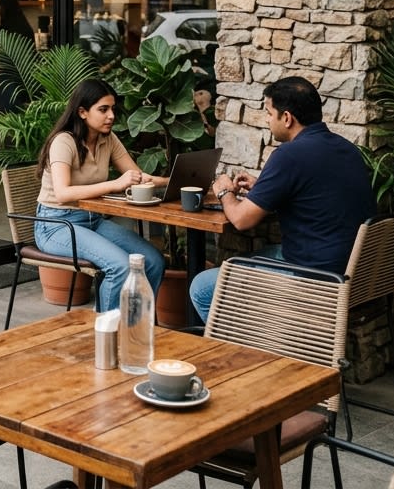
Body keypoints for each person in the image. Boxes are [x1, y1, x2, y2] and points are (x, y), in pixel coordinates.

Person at [189, 75, 376, 322]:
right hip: (354, 274)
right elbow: (315, 194)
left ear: (287, 118)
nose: (267, 120)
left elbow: (242, 220)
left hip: (315, 278)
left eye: (269, 113)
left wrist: (224, 190)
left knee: (202, 287)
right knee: (261, 254)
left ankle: (257, 351)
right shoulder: (346, 149)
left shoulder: (290, 155)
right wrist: (264, 188)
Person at [35, 78, 167, 312]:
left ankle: (134, 327)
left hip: (91, 220)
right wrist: (114, 184)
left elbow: (137, 175)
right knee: (120, 267)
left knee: (153, 261)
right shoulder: (63, 142)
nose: (111, 116)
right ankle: (105, 336)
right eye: (103, 109)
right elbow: (63, 193)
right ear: (83, 112)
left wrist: (176, 182)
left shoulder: (108, 139)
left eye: (112, 109)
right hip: (56, 224)